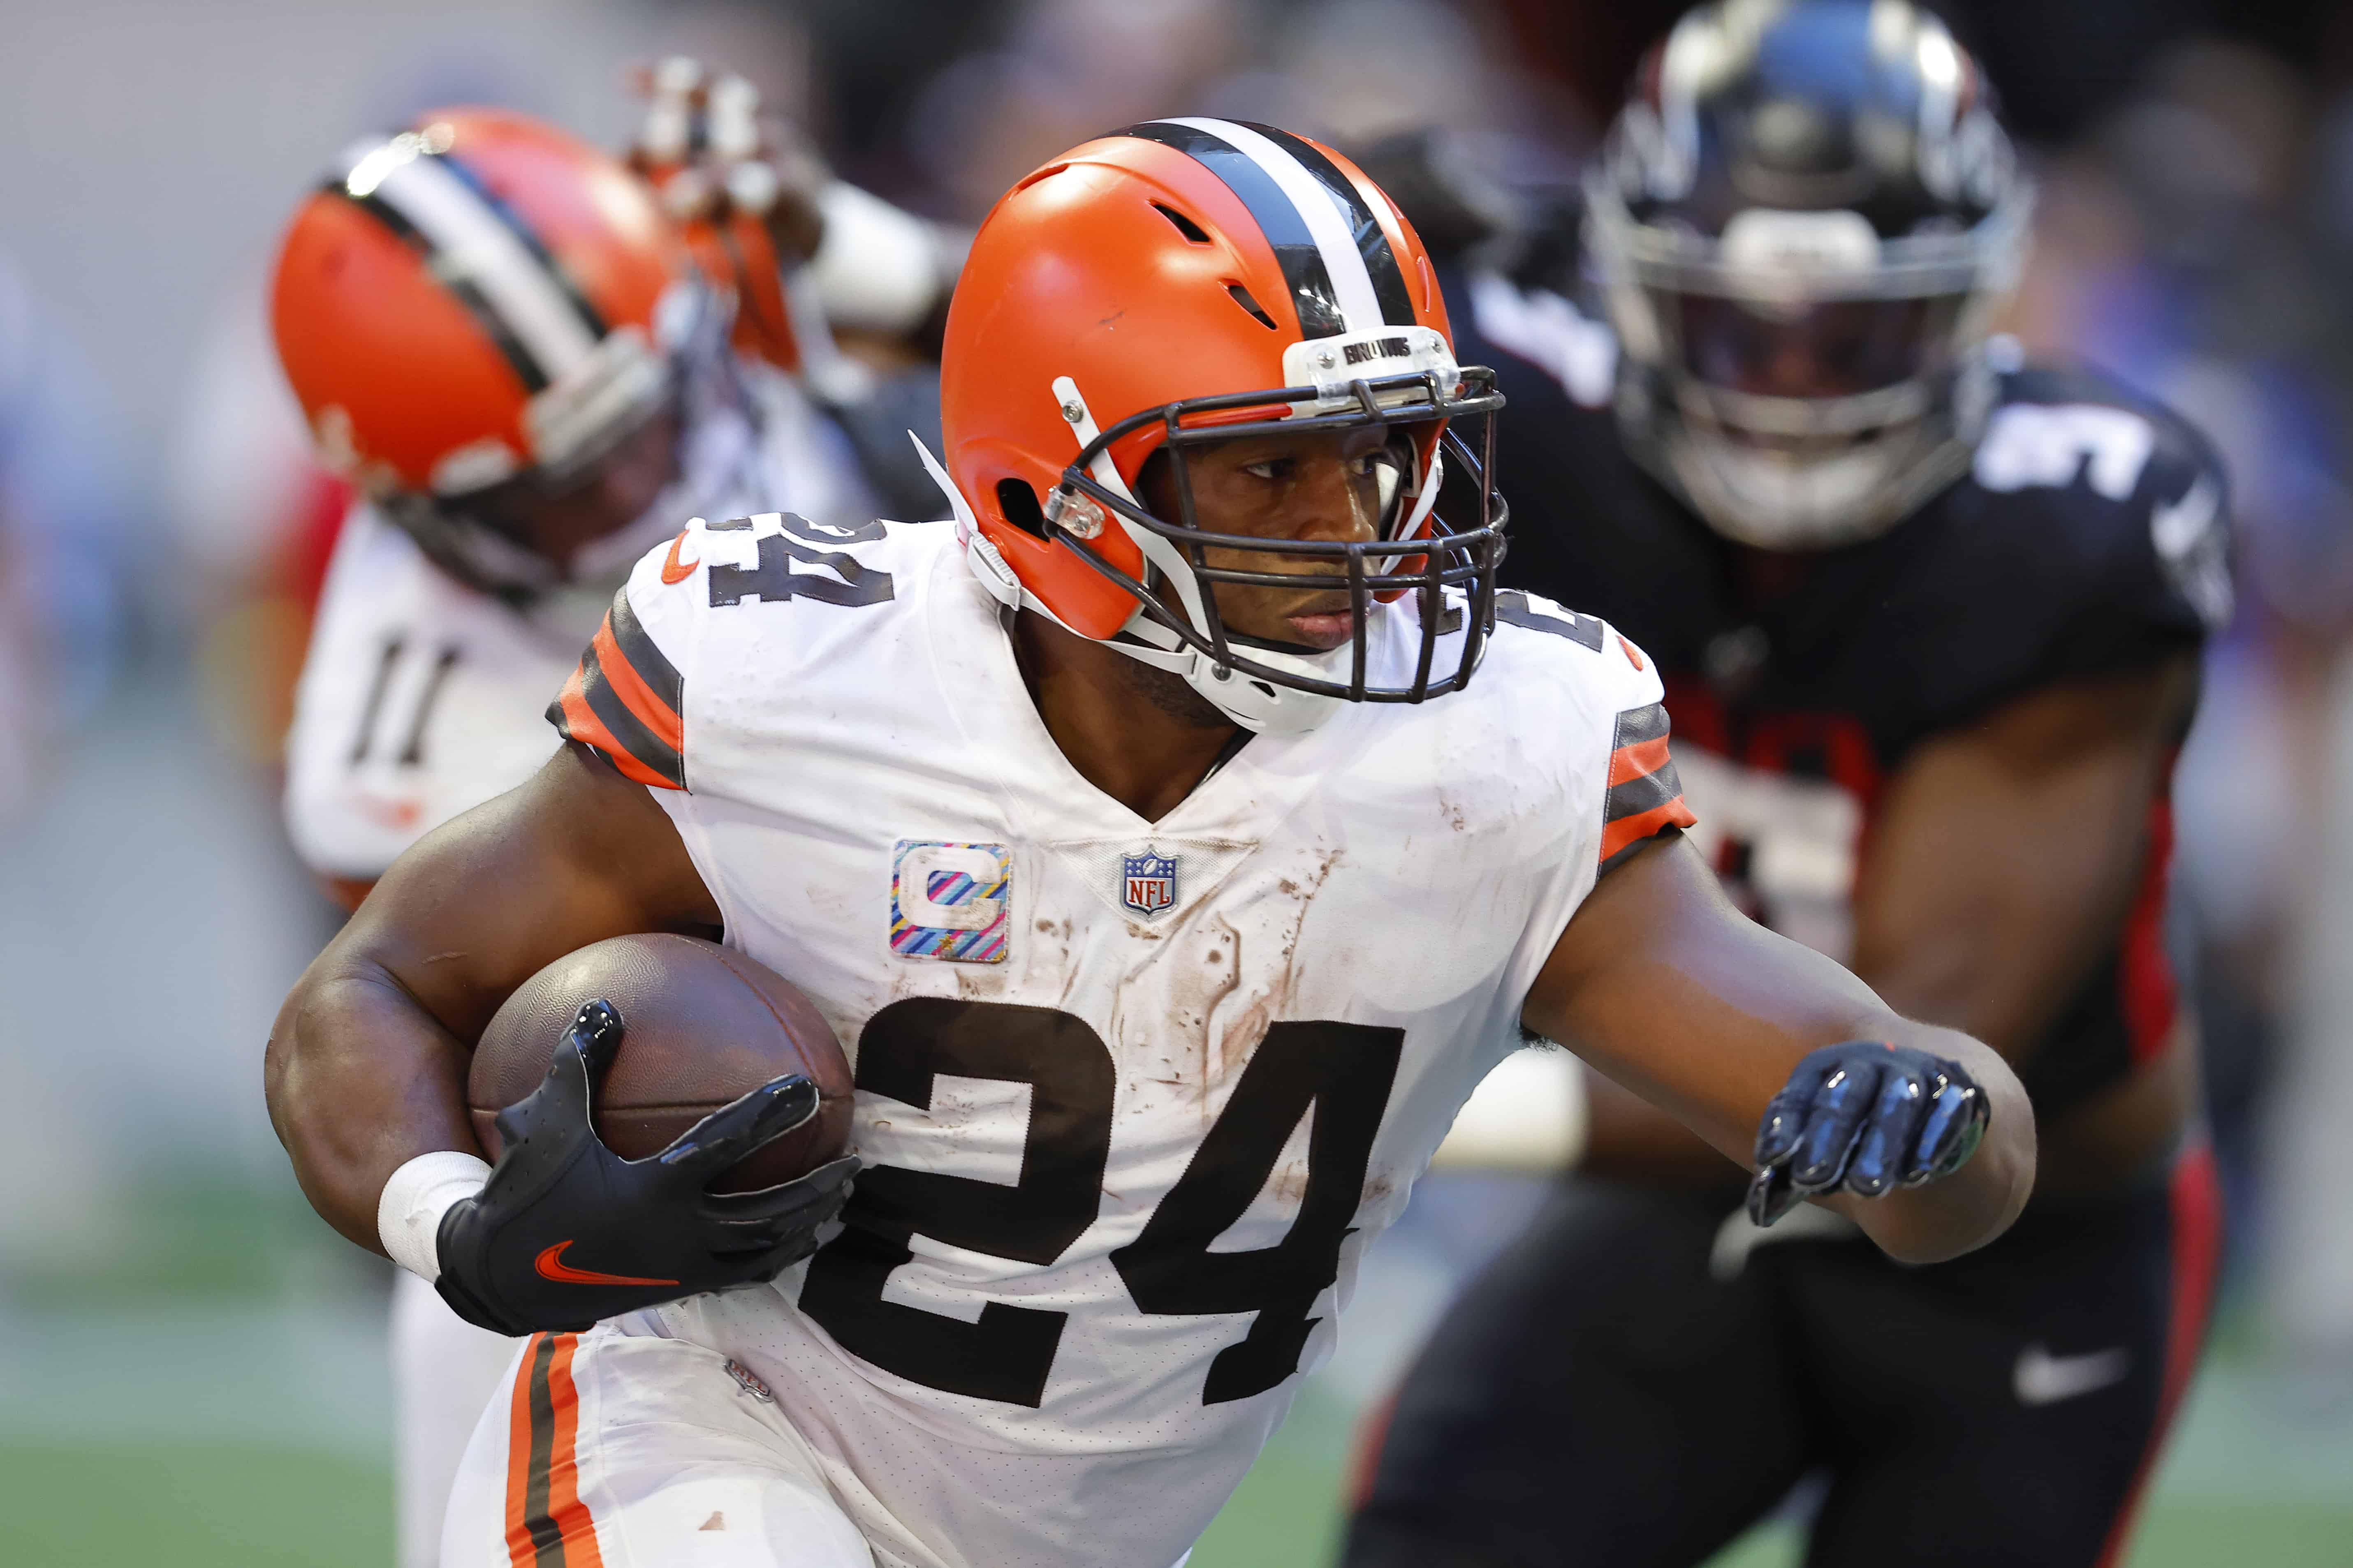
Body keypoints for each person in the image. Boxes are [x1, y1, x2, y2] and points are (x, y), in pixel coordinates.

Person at [264, 117, 2035, 1568]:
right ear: (1050, 490)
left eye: (1388, 446)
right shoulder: (782, 679)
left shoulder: (1505, 753)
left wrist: (1932, 1117)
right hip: (709, 1444)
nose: (1363, 522)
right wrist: (459, 1226)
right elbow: (374, 989)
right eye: (1274, 469)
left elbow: (1919, 1140)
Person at [1346, 6, 2230, 1566]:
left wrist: (1353, 1089)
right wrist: (850, 255)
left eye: (1854, 336)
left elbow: (1895, 1061)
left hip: (2022, 1234)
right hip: (1679, 1198)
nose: (1792, 386)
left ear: (1968, 299)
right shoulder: (1525, 400)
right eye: (1737, 328)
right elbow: (1105, 391)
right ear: (1631, 281)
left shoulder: (2077, 518)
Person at [266, 103, 945, 1568]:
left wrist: (853, 248)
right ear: (415, 509)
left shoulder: (721, 270)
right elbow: (673, 1021)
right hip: (674, 1237)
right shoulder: (403, 733)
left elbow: (1045, 364)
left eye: (645, 424)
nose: (641, 496)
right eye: (568, 485)